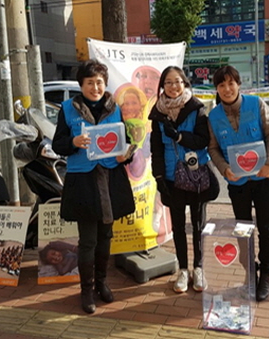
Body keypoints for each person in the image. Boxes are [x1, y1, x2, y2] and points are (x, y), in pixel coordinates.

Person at [52, 59, 135, 314]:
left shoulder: (115, 108)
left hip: (111, 179)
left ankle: (102, 283)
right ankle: (86, 290)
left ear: (105, 83)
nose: (95, 87)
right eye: (90, 83)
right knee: (87, 241)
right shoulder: (68, 109)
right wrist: (74, 141)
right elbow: (58, 145)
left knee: (106, 237)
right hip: (83, 181)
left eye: (99, 82)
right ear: (81, 85)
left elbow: (128, 141)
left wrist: (127, 154)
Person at [207, 65, 269, 302]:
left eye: (231, 83)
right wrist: (224, 169)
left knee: (266, 227)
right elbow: (213, 148)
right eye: (221, 85)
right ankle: (250, 271)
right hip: (237, 182)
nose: (227, 89)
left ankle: (266, 273)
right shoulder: (214, 116)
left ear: (238, 84)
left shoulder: (256, 104)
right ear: (216, 89)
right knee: (242, 228)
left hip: (264, 178)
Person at [149, 65, 219, 293]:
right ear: (162, 86)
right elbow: (156, 149)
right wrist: (158, 176)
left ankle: (199, 268)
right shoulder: (157, 114)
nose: (173, 86)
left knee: (198, 224)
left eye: (177, 81)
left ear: (185, 83)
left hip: (196, 173)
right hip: (171, 176)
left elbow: (202, 140)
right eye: (168, 82)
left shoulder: (196, 108)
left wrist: (179, 136)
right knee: (178, 226)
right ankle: (183, 270)